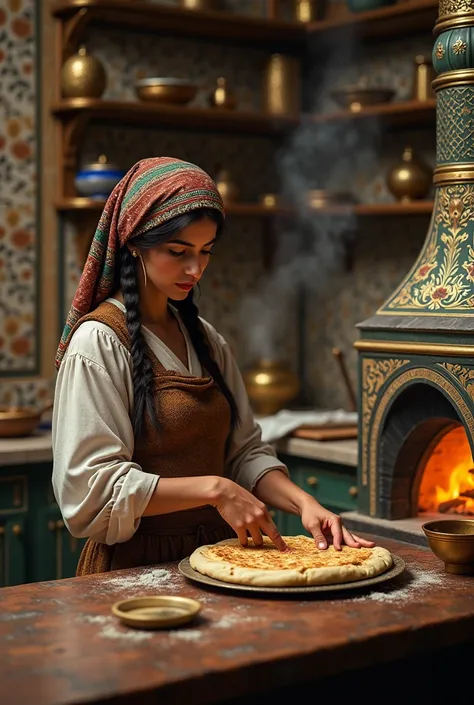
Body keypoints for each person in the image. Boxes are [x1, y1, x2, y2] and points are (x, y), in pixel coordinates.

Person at [52, 156, 374, 575]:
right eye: (178, 251)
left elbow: (244, 452)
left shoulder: (205, 339)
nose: (195, 268)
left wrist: (303, 502)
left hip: (215, 561)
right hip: (130, 570)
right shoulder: (99, 343)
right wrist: (216, 490)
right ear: (133, 242)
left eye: (205, 251)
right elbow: (90, 495)